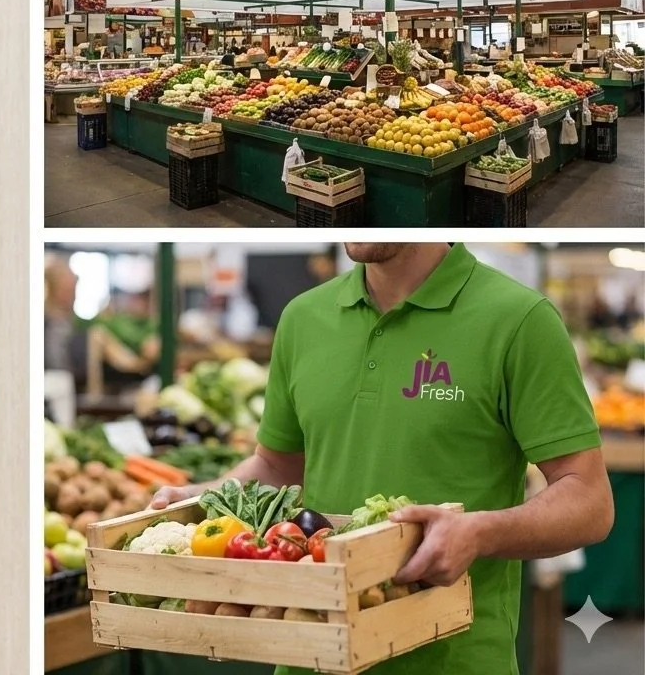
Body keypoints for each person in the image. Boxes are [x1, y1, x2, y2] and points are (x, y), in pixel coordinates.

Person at [150, 243, 613, 675]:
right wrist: (201, 497)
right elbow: (276, 467)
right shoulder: (303, 318)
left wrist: (479, 532)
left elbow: (589, 500)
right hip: (310, 653)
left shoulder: (518, 320)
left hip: (452, 660)